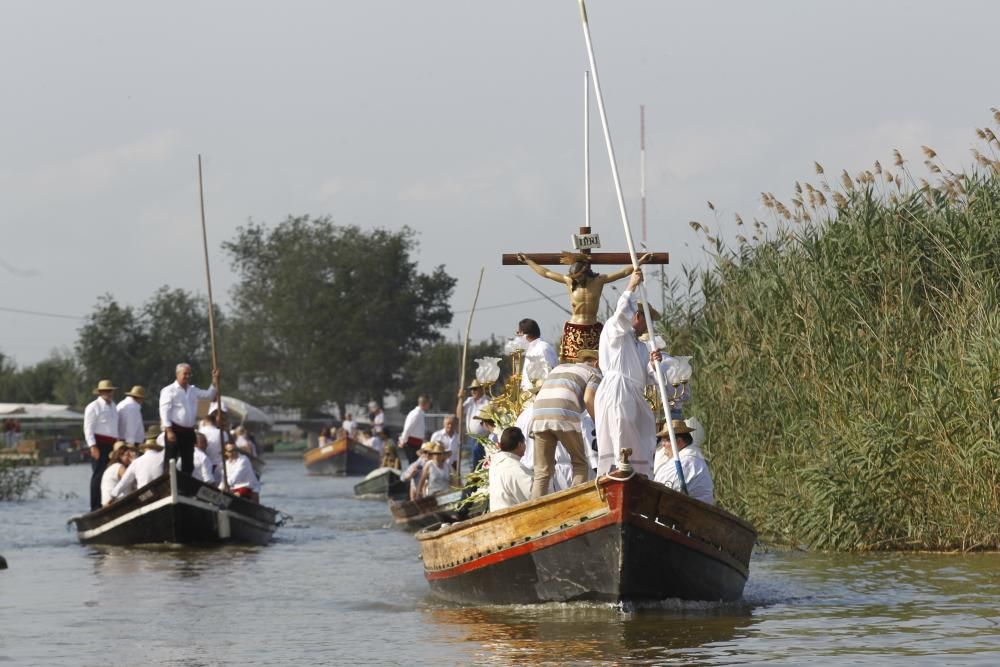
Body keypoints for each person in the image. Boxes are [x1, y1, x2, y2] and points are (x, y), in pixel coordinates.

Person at [517, 252, 652, 361]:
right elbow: (546, 273)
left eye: (579, 277)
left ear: (586, 272)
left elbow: (623, 272)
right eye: (574, 278)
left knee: (598, 362)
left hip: (593, 328)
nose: (577, 280)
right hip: (574, 328)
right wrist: (529, 261)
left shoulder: (599, 281)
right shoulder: (569, 281)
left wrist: (640, 261)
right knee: (571, 363)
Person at [594, 269, 662, 477]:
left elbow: (650, 376)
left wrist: (654, 364)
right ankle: (619, 469)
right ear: (638, 316)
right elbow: (621, 313)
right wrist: (631, 285)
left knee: (640, 437)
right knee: (620, 430)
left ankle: (635, 474)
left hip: (633, 393)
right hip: (617, 390)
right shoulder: (615, 331)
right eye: (648, 321)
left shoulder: (641, 347)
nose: (649, 328)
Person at [528, 350, 602, 499]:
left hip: (539, 414)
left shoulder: (559, 368)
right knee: (580, 463)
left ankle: (533, 513)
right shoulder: (595, 373)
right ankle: (573, 507)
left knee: (542, 472)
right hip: (563, 412)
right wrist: (599, 425)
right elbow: (589, 399)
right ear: (597, 363)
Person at [160, 363, 219, 475]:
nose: (187, 376)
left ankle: (186, 489)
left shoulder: (193, 390)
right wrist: (169, 430)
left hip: (188, 431)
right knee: (171, 461)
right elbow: (164, 410)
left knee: (188, 463)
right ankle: (168, 485)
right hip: (174, 430)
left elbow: (208, 396)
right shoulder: (169, 390)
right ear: (177, 374)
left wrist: (214, 381)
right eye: (185, 374)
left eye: (189, 374)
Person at [653, 419, 714, 505]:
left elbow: (661, 490)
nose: (663, 444)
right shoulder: (688, 458)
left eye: (666, 440)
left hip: (689, 514)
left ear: (678, 442)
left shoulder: (687, 461)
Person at [84, 379, 120, 511]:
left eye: (109, 391)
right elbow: (88, 428)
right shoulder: (93, 406)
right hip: (99, 444)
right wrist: (93, 446)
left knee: (109, 473)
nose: (108, 393)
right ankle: (95, 506)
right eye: (105, 391)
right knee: (98, 474)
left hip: (112, 444)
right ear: (100, 392)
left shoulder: (113, 406)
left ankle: (107, 502)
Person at [488, 427, 533, 512]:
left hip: (497, 516)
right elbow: (535, 494)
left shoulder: (495, 464)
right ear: (520, 444)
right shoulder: (514, 467)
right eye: (524, 443)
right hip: (512, 519)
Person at [516, 318, 558, 390]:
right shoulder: (532, 348)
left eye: (518, 333)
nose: (517, 337)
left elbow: (548, 375)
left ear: (524, 334)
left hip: (541, 395)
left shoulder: (542, 348)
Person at [459, 381, 490, 465]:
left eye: (475, 389)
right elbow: (459, 414)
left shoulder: (487, 401)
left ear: (481, 389)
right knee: (474, 461)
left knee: (480, 460)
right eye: (472, 389)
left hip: (484, 438)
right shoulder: (469, 401)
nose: (473, 391)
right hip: (471, 438)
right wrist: (460, 399)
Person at [198, 403, 228, 483]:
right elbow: (227, 449)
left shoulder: (200, 432)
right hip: (219, 466)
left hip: (206, 466)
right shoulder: (222, 433)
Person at [100, 442, 135, 506]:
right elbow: (130, 481)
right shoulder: (120, 467)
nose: (130, 457)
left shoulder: (111, 467)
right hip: (112, 502)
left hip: (106, 502)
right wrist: (134, 462)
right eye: (128, 455)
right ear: (120, 456)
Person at [399, 395, 430, 464]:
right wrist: (403, 440)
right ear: (426, 403)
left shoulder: (420, 413)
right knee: (413, 464)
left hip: (417, 443)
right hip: (411, 443)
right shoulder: (416, 413)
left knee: (417, 464)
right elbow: (408, 428)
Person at [471, 406, 499, 471]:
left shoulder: (494, 437)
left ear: (486, 423)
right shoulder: (496, 435)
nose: (481, 425)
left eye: (481, 423)